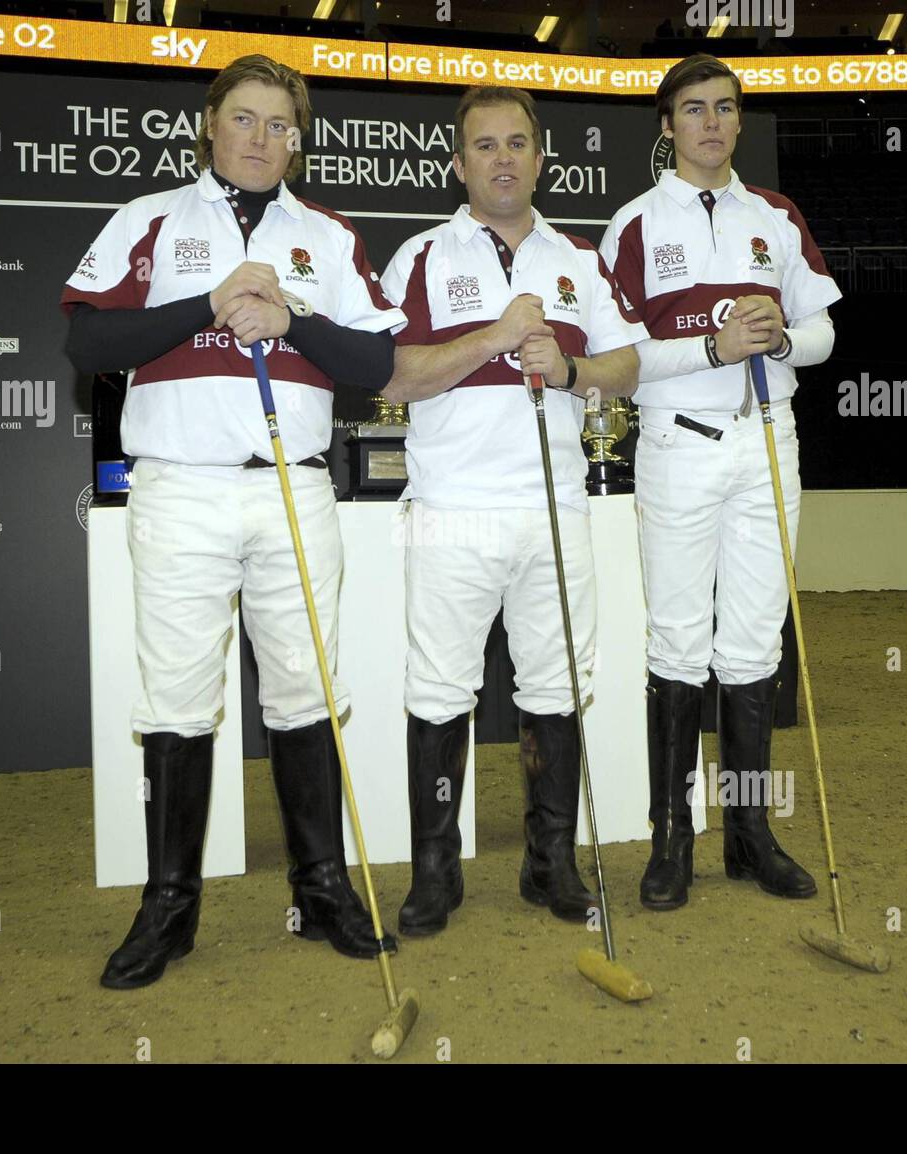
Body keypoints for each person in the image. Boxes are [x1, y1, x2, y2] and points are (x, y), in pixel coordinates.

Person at [61, 54, 405, 988]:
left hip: (292, 486)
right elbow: (89, 340)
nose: (261, 138)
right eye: (244, 119)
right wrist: (211, 303)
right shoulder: (152, 219)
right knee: (177, 699)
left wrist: (288, 318)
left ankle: (322, 888)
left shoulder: (327, 237)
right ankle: (168, 908)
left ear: (299, 138)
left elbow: (374, 363)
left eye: (280, 124)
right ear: (210, 126)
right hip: (182, 488)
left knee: (304, 691)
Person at [379, 86, 645, 937]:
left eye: (518, 144)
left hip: (555, 509)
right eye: (484, 146)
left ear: (540, 157)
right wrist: (494, 337)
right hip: (453, 509)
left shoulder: (578, 258)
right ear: (458, 164)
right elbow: (394, 378)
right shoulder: (420, 255)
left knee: (556, 687)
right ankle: (434, 873)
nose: (503, 159)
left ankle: (550, 866)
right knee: (439, 690)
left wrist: (569, 369)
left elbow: (629, 366)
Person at [600, 53, 841, 911]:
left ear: (740, 122)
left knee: (753, 647)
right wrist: (711, 347)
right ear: (667, 127)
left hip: (770, 443)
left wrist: (778, 339)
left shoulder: (775, 217)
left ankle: (750, 834)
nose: (710, 122)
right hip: (680, 444)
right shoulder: (632, 225)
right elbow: (619, 361)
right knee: (677, 644)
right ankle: (674, 838)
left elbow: (824, 337)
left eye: (725, 109)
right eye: (693, 109)